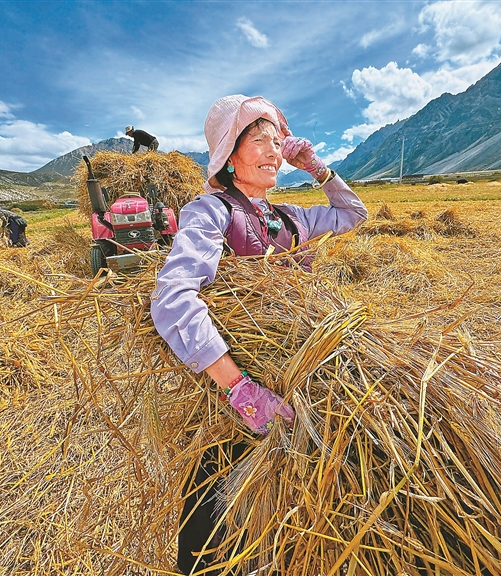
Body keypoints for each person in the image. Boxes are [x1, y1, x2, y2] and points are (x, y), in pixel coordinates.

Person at [150, 94, 368, 575]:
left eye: (277, 141)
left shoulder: (291, 216)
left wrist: (316, 167)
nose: (273, 151)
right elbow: (173, 298)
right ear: (229, 157)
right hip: (232, 401)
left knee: (293, 521)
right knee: (216, 525)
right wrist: (241, 389)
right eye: (258, 140)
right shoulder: (211, 212)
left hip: (302, 387)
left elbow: (354, 214)